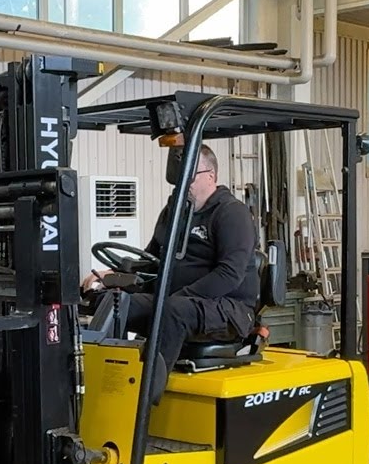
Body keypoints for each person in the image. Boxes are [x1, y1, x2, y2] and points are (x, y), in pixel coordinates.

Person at [82, 144, 260, 382]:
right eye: (178, 179)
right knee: (113, 302)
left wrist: (177, 298)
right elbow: (150, 261)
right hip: (176, 302)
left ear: (211, 176)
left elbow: (229, 274)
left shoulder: (231, 213)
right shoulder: (174, 212)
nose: (182, 185)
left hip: (228, 309)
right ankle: (104, 383)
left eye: (189, 178)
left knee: (172, 311)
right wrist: (113, 277)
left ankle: (146, 394)